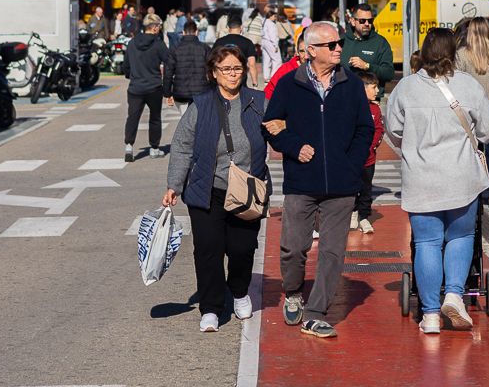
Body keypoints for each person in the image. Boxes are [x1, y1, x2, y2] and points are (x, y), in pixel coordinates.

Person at [263, 21, 375, 339]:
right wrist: (294, 146)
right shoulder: (289, 84)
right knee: (293, 248)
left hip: (342, 185)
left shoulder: (351, 84)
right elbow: (270, 123)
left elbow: (365, 128)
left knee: (332, 251)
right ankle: (293, 292)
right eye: (331, 44)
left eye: (339, 43)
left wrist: (351, 165)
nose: (339, 48)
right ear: (311, 50)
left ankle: (316, 313)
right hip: (301, 182)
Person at [385, 27, 489, 334]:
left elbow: (393, 130)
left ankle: (431, 314)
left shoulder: (406, 88)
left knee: (427, 242)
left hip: (421, 178)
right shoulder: (468, 85)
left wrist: (414, 143)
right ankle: (454, 295)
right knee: (461, 236)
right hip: (461, 177)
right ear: (453, 53)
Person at [163, 45, 270, 332]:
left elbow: (278, 133)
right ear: (213, 73)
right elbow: (182, 146)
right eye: (226, 69)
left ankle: (239, 291)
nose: (232, 74)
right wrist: (174, 185)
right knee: (208, 250)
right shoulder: (201, 105)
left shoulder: (258, 101)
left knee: (242, 248)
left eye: (237, 68)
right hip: (207, 190)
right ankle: (210, 307)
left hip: (247, 188)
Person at [454, 16, 489, 192]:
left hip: (470, 111)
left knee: (472, 152)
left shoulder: (462, 54)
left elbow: (456, 84)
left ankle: (475, 191)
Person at [123, 14, 174, 162]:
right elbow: (169, 61)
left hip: (135, 87)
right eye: (159, 26)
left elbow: (126, 66)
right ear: (154, 27)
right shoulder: (158, 44)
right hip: (154, 86)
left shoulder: (132, 43)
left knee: (133, 117)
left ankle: (129, 146)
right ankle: (154, 148)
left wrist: (132, 75)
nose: (160, 28)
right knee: (155, 118)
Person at [351, 69, 385, 234]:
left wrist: (370, 147)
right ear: (362, 88)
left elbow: (379, 130)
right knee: (350, 187)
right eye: (373, 87)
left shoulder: (375, 110)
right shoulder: (349, 107)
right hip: (351, 159)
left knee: (366, 188)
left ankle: (363, 216)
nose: (377, 91)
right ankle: (352, 212)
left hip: (368, 158)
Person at [340, 3, 394, 88]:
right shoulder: (341, 41)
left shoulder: (380, 42)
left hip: (370, 95)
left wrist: (367, 66)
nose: (367, 24)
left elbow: (389, 74)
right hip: (345, 93)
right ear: (353, 21)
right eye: (362, 21)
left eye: (370, 21)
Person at [167, 20, 210, 113]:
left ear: (183, 32)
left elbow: (168, 72)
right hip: (201, 91)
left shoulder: (175, 48)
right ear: (197, 32)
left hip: (180, 92)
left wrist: (167, 93)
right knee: (200, 119)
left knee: (185, 119)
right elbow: (212, 71)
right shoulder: (205, 48)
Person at [212, 19, 260, 88]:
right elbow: (251, 65)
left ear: (228, 28)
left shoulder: (219, 42)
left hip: (223, 79)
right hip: (240, 81)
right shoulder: (247, 42)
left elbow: (212, 61)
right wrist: (255, 84)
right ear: (241, 27)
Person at [260, 7, 283, 81]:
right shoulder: (271, 24)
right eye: (274, 16)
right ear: (270, 16)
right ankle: (273, 76)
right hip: (270, 42)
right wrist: (275, 45)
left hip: (264, 41)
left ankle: (266, 77)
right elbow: (273, 35)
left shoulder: (264, 22)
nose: (275, 18)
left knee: (266, 60)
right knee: (277, 60)